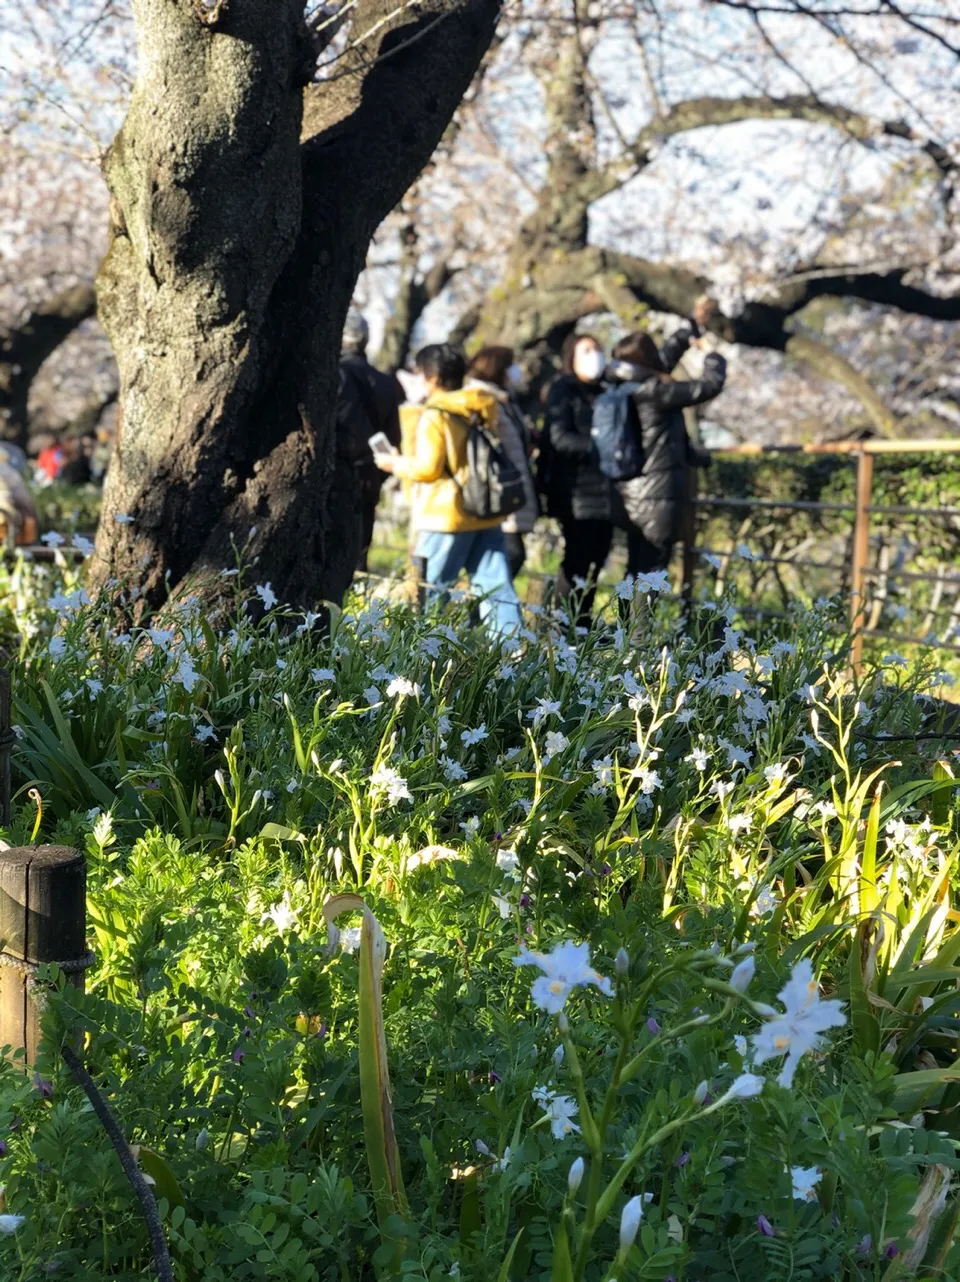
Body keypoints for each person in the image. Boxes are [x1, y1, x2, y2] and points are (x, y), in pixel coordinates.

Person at [375, 343, 522, 639]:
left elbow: (428, 468)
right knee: (497, 589)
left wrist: (393, 463)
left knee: (431, 591)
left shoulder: (436, 414)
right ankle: (513, 650)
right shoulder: (480, 405)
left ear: (430, 377)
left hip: (446, 516)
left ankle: (424, 650)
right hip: (484, 511)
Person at [607, 301, 725, 579]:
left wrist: (688, 330)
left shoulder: (623, 386)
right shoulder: (656, 392)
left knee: (634, 571)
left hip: (631, 495)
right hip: (657, 498)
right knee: (650, 575)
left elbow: (662, 360)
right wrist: (713, 356)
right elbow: (708, 386)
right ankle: (638, 625)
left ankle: (623, 625)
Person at [541, 333, 613, 627]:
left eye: (597, 349)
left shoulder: (606, 391)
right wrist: (598, 447)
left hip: (605, 490)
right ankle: (560, 625)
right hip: (576, 491)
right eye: (586, 350)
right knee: (578, 560)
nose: (594, 354)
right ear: (571, 357)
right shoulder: (563, 390)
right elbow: (559, 437)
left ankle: (581, 623)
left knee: (597, 560)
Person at [336, 308, 402, 572]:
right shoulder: (387, 383)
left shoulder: (333, 376)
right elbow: (395, 438)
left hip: (335, 474)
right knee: (359, 553)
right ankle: (358, 608)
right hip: (370, 476)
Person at [465, 346, 538, 579]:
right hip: (495, 491)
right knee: (510, 554)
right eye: (511, 365)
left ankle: (478, 611)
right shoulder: (481, 400)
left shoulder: (505, 401)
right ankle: (477, 612)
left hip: (510, 489)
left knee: (506, 556)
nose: (517, 371)